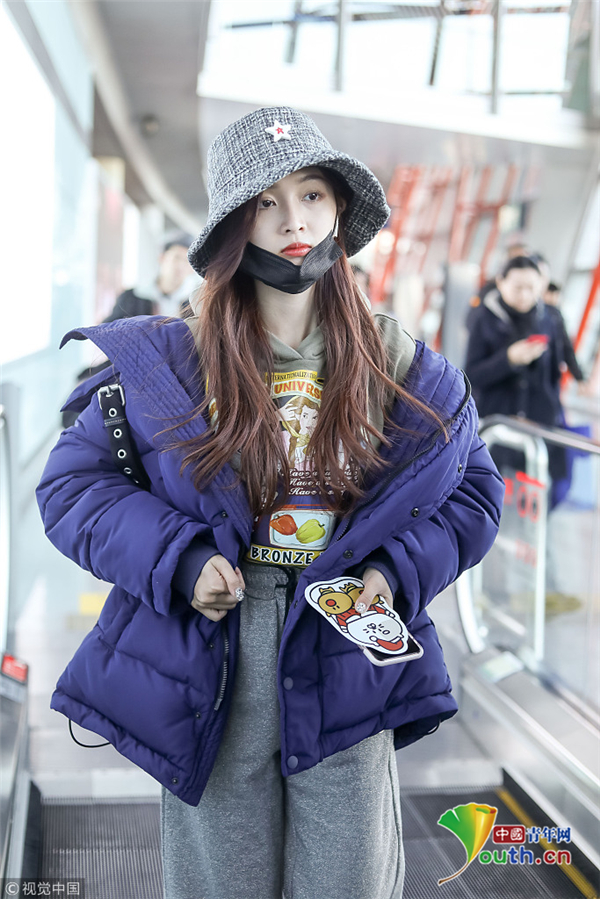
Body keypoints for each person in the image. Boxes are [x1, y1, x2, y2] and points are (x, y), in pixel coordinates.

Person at [37, 107, 504, 899]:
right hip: (217, 647)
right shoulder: (173, 361)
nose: (295, 220)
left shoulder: (395, 362)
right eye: (266, 202)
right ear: (232, 226)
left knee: (349, 879)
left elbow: (476, 489)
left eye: (312, 194)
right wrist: (181, 558)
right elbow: (71, 485)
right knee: (222, 881)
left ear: (339, 210)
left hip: (345, 633)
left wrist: (396, 571)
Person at [104, 234, 199, 321]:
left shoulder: (196, 304)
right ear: (162, 258)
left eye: (187, 261)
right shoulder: (131, 297)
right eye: (177, 257)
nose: (181, 265)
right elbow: (109, 328)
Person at [544, 281, 585, 384]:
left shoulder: (534, 311)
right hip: (548, 370)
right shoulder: (554, 314)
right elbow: (566, 346)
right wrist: (578, 376)